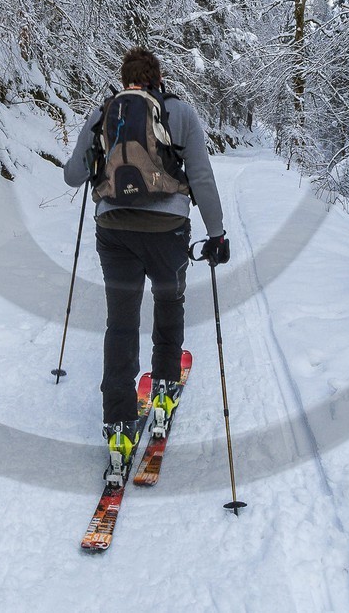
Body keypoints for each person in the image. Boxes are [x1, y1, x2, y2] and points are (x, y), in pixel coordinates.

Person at [64, 46, 229, 483]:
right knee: (169, 303)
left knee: (120, 323)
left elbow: (72, 176)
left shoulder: (105, 114)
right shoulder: (181, 114)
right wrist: (216, 233)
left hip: (113, 230)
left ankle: (118, 428)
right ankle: (164, 393)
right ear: (159, 79)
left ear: (125, 80)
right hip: (168, 231)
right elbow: (202, 177)